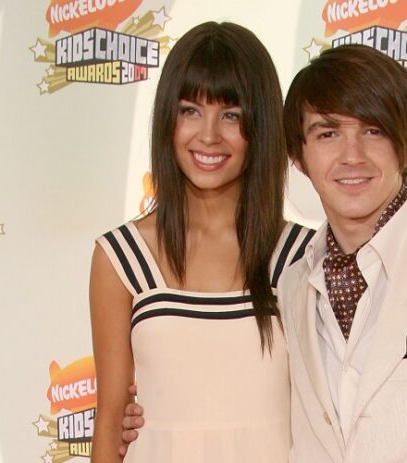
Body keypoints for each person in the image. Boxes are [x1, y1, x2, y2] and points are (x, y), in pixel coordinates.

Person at [123, 44, 407, 462]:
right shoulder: (295, 284)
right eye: (328, 133)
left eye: (373, 131)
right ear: (298, 156)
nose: (351, 156)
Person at [88, 21, 311, 463]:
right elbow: (111, 420)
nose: (208, 135)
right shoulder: (121, 258)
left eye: (231, 115)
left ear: (261, 125)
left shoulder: (302, 257)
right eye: (190, 110)